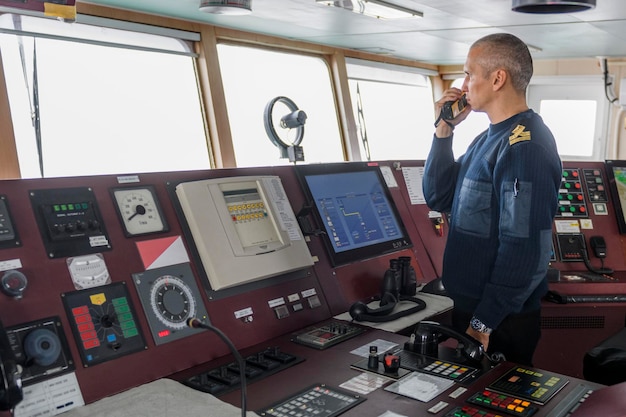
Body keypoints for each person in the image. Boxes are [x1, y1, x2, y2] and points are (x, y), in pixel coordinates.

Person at [422, 33, 562, 366]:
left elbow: (525, 249)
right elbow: (438, 196)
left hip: (497, 321)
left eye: (470, 73)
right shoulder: (487, 139)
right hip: (472, 310)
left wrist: (483, 323)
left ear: (498, 78)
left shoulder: (525, 147)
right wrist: (444, 130)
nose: (464, 84)